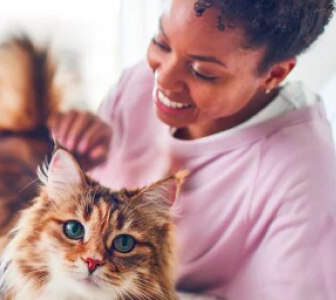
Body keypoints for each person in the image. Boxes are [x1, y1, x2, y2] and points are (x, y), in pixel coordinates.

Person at [50, 0, 336, 299]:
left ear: (275, 74)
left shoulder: (304, 179)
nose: (163, 79)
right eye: (161, 42)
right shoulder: (139, 85)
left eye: (202, 72)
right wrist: (79, 163)